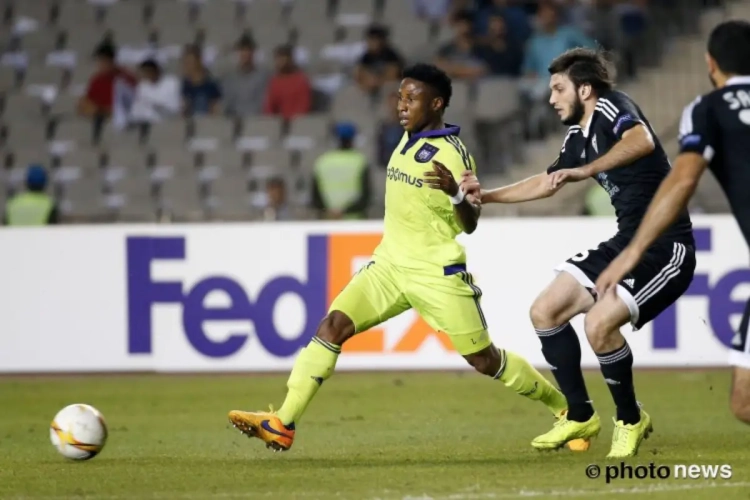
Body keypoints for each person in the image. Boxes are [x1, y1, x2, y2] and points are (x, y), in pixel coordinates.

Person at [228, 63, 582, 452]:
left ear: (437, 104)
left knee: (484, 360)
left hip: (435, 273)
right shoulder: (405, 138)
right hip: (389, 267)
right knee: (332, 327)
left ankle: (566, 408)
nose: (401, 105)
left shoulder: (453, 154)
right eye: (400, 97)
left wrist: (455, 193)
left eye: (411, 98)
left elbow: (470, 223)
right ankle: (284, 422)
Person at [461, 48, 696, 457]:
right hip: (626, 242)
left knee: (598, 325)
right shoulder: (577, 136)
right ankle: (580, 414)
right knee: (545, 311)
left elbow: (641, 139)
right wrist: (488, 196)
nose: (551, 98)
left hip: (665, 246)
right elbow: (547, 181)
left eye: (558, 88)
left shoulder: (611, 106)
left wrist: (587, 169)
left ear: (584, 89)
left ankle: (630, 419)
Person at [595, 20, 750, 426]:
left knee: (745, 403)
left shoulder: (707, 109)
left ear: (710, 62)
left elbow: (682, 180)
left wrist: (633, 251)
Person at [310, 122, 371, 220]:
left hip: (329, 222)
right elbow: (365, 198)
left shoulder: (321, 162)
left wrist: (330, 211)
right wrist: (344, 211)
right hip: (354, 222)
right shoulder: (360, 161)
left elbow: (315, 199)